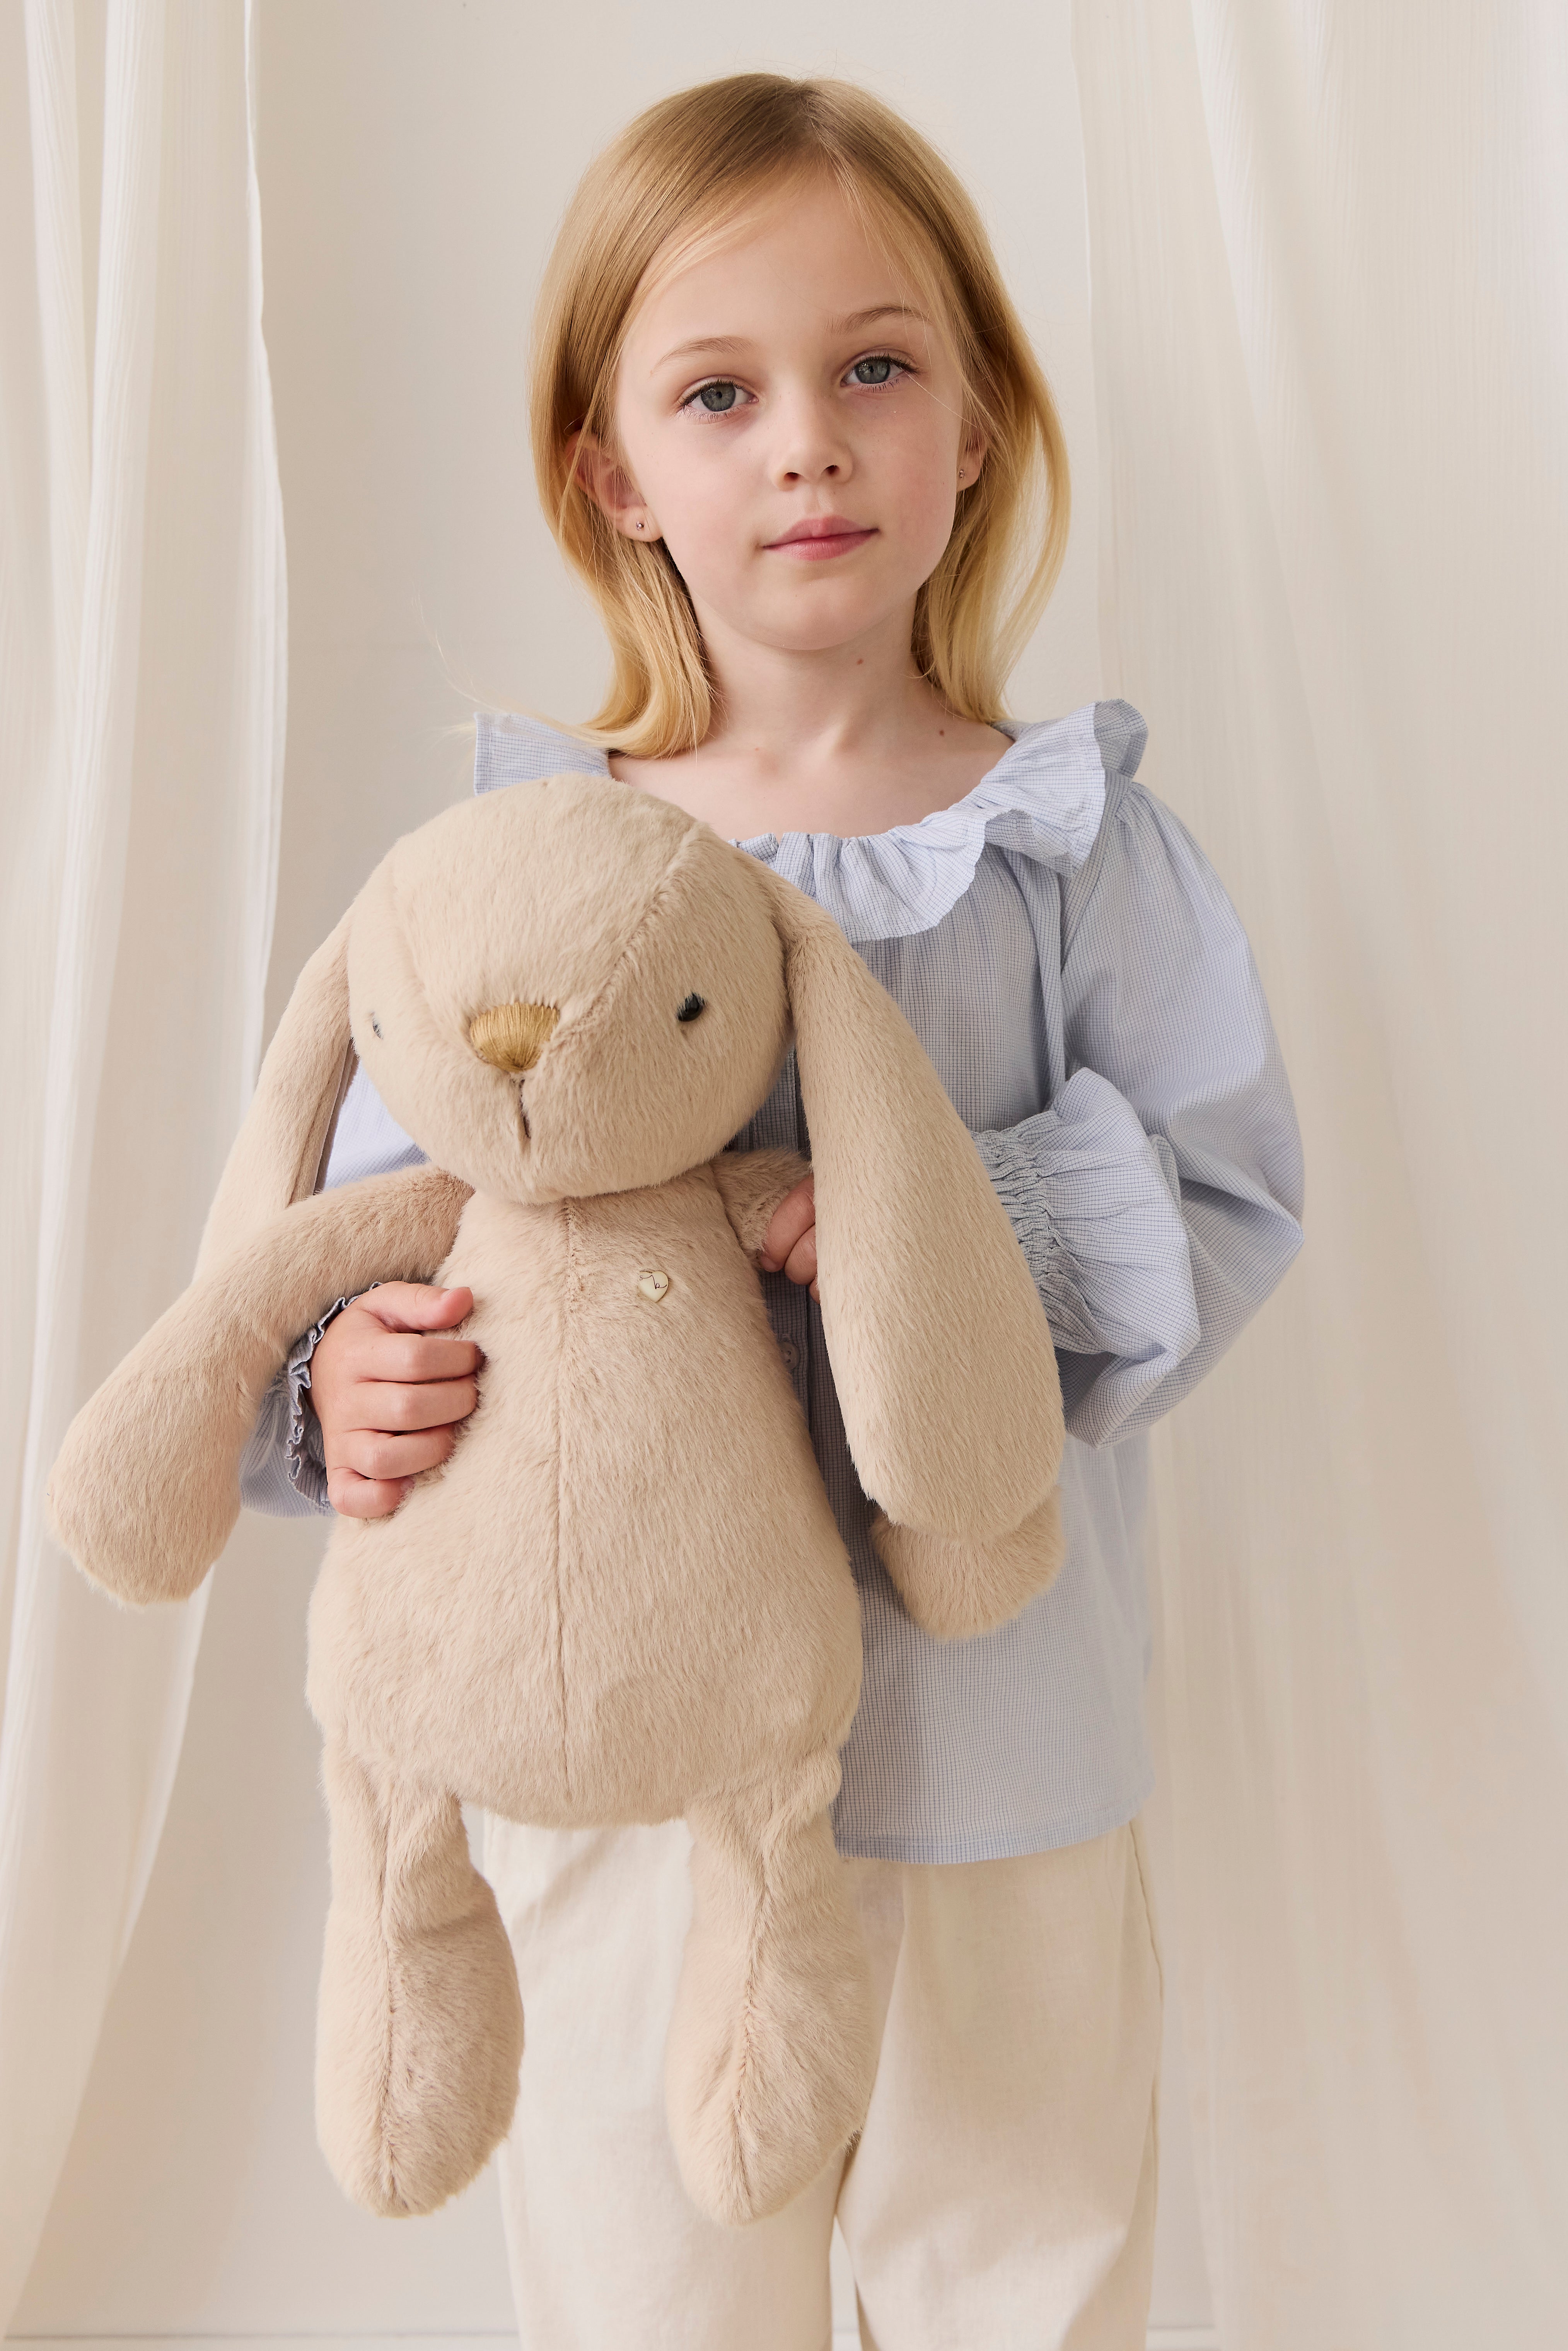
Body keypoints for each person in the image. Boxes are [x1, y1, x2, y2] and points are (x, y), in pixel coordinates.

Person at [242, 73, 1303, 2351]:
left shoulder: (1068, 849)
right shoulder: (535, 871)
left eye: (875, 369)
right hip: (632, 1757)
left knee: (1018, 2281)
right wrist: (366, 1373)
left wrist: (943, 1226)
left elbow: (1217, 1196)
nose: (806, 442)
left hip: (1000, 1762)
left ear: (979, 430)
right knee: (648, 2295)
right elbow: (357, 1229)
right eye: (720, 392)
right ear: (613, 473)